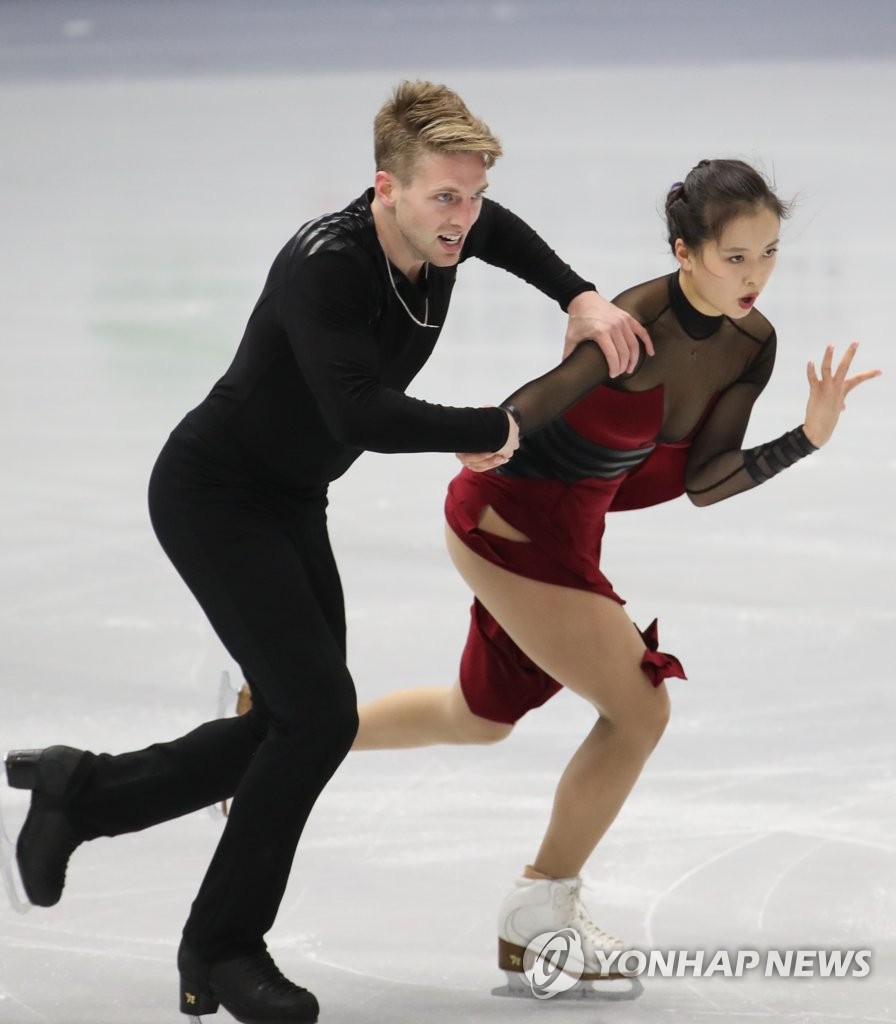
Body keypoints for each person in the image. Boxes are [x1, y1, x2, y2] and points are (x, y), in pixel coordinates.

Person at [2, 80, 649, 1023]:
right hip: (213, 497)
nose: (462, 220)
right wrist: (487, 425)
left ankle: (86, 792)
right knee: (312, 719)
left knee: (304, 724)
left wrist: (582, 295)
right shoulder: (327, 266)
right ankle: (220, 947)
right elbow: (359, 411)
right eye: (443, 198)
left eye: (470, 196)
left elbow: (500, 228)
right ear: (384, 186)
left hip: (293, 498)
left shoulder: (450, 229)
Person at [346, 158, 882, 985]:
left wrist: (804, 439)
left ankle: (276, 729)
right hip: (508, 524)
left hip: (573, 535)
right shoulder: (636, 319)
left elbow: (707, 481)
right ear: (685, 251)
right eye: (736, 256)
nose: (756, 276)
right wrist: (493, 425)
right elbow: (551, 394)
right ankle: (539, 911)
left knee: (479, 717)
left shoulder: (752, 344)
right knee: (639, 707)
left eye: (769, 253)